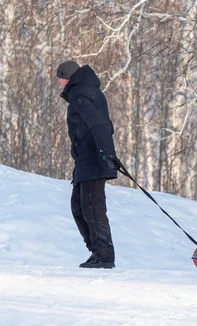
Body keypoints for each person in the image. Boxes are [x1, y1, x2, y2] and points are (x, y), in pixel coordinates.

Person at [56, 60, 121, 269]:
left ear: (67, 77)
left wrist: (106, 154)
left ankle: (103, 255)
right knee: (79, 207)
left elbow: (99, 124)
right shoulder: (88, 91)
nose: (58, 82)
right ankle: (98, 252)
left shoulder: (79, 93)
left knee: (92, 208)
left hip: (93, 157)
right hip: (87, 158)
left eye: (59, 77)